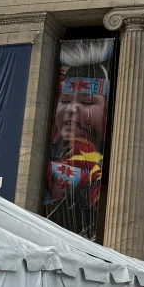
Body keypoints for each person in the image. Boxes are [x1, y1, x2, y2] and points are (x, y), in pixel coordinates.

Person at [45, 40, 113, 239]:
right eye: (65, 100)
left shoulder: (98, 166)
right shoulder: (51, 160)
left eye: (87, 102)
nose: (71, 108)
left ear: (106, 110)